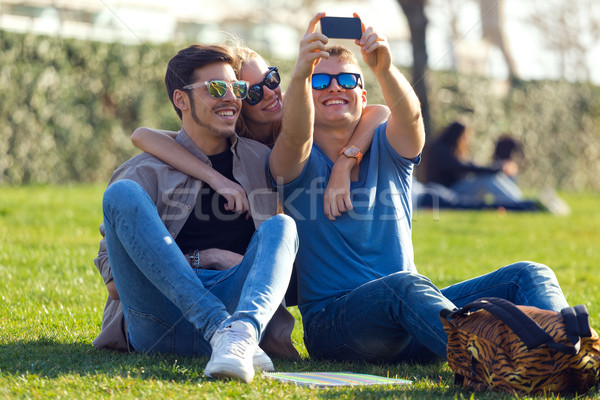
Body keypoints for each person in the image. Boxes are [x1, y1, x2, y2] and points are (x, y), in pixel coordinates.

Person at [268, 12, 570, 363]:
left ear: (363, 96)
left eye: (347, 80)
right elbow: (294, 133)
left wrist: (383, 68)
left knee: (529, 274)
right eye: (320, 83)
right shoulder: (294, 163)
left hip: (411, 318)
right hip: (336, 326)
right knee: (404, 287)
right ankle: (493, 365)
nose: (335, 87)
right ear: (306, 94)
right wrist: (302, 70)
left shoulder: (389, 149)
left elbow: (408, 116)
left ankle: (571, 352)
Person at [94, 44, 299, 383]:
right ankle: (224, 330)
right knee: (121, 193)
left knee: (283, 226)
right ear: (181, 100)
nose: (230, 98)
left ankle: (240, 333)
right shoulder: (144, 171)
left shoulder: (260, 161)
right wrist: (205, 258)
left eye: (237, 88)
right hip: (160, 322)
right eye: (216, 88)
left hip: (239, 310)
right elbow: (116, 284)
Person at [130, 45, 389, 222]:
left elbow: (379, 111)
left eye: (271, 79)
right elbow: (142, 135)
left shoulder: (291, 108)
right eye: (252, 92)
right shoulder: (232, 143)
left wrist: (344, 165)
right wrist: (213, 177)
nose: (269, 93)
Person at [425, 121, 528, 207]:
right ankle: (519, 203)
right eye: (465, 137)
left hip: (455, 189)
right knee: (486, 179)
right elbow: (465, 167)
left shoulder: (450, 150)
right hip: (447, 193)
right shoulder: (442, 151)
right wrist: (497, 168)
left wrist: (496, 168)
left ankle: (519, 200)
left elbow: (471, 165)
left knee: (488, 177)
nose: (466, 140)